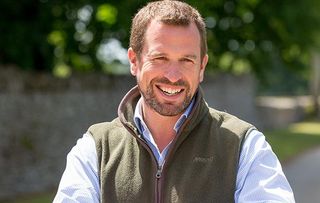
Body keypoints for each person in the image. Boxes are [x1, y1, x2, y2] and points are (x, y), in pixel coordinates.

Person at [53, 1, 295, 202]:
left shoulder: (245, 146)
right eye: (160, 57)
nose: (173, 75)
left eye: (187, 60)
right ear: (134, 61)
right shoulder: (95, 149)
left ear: (202, 67)